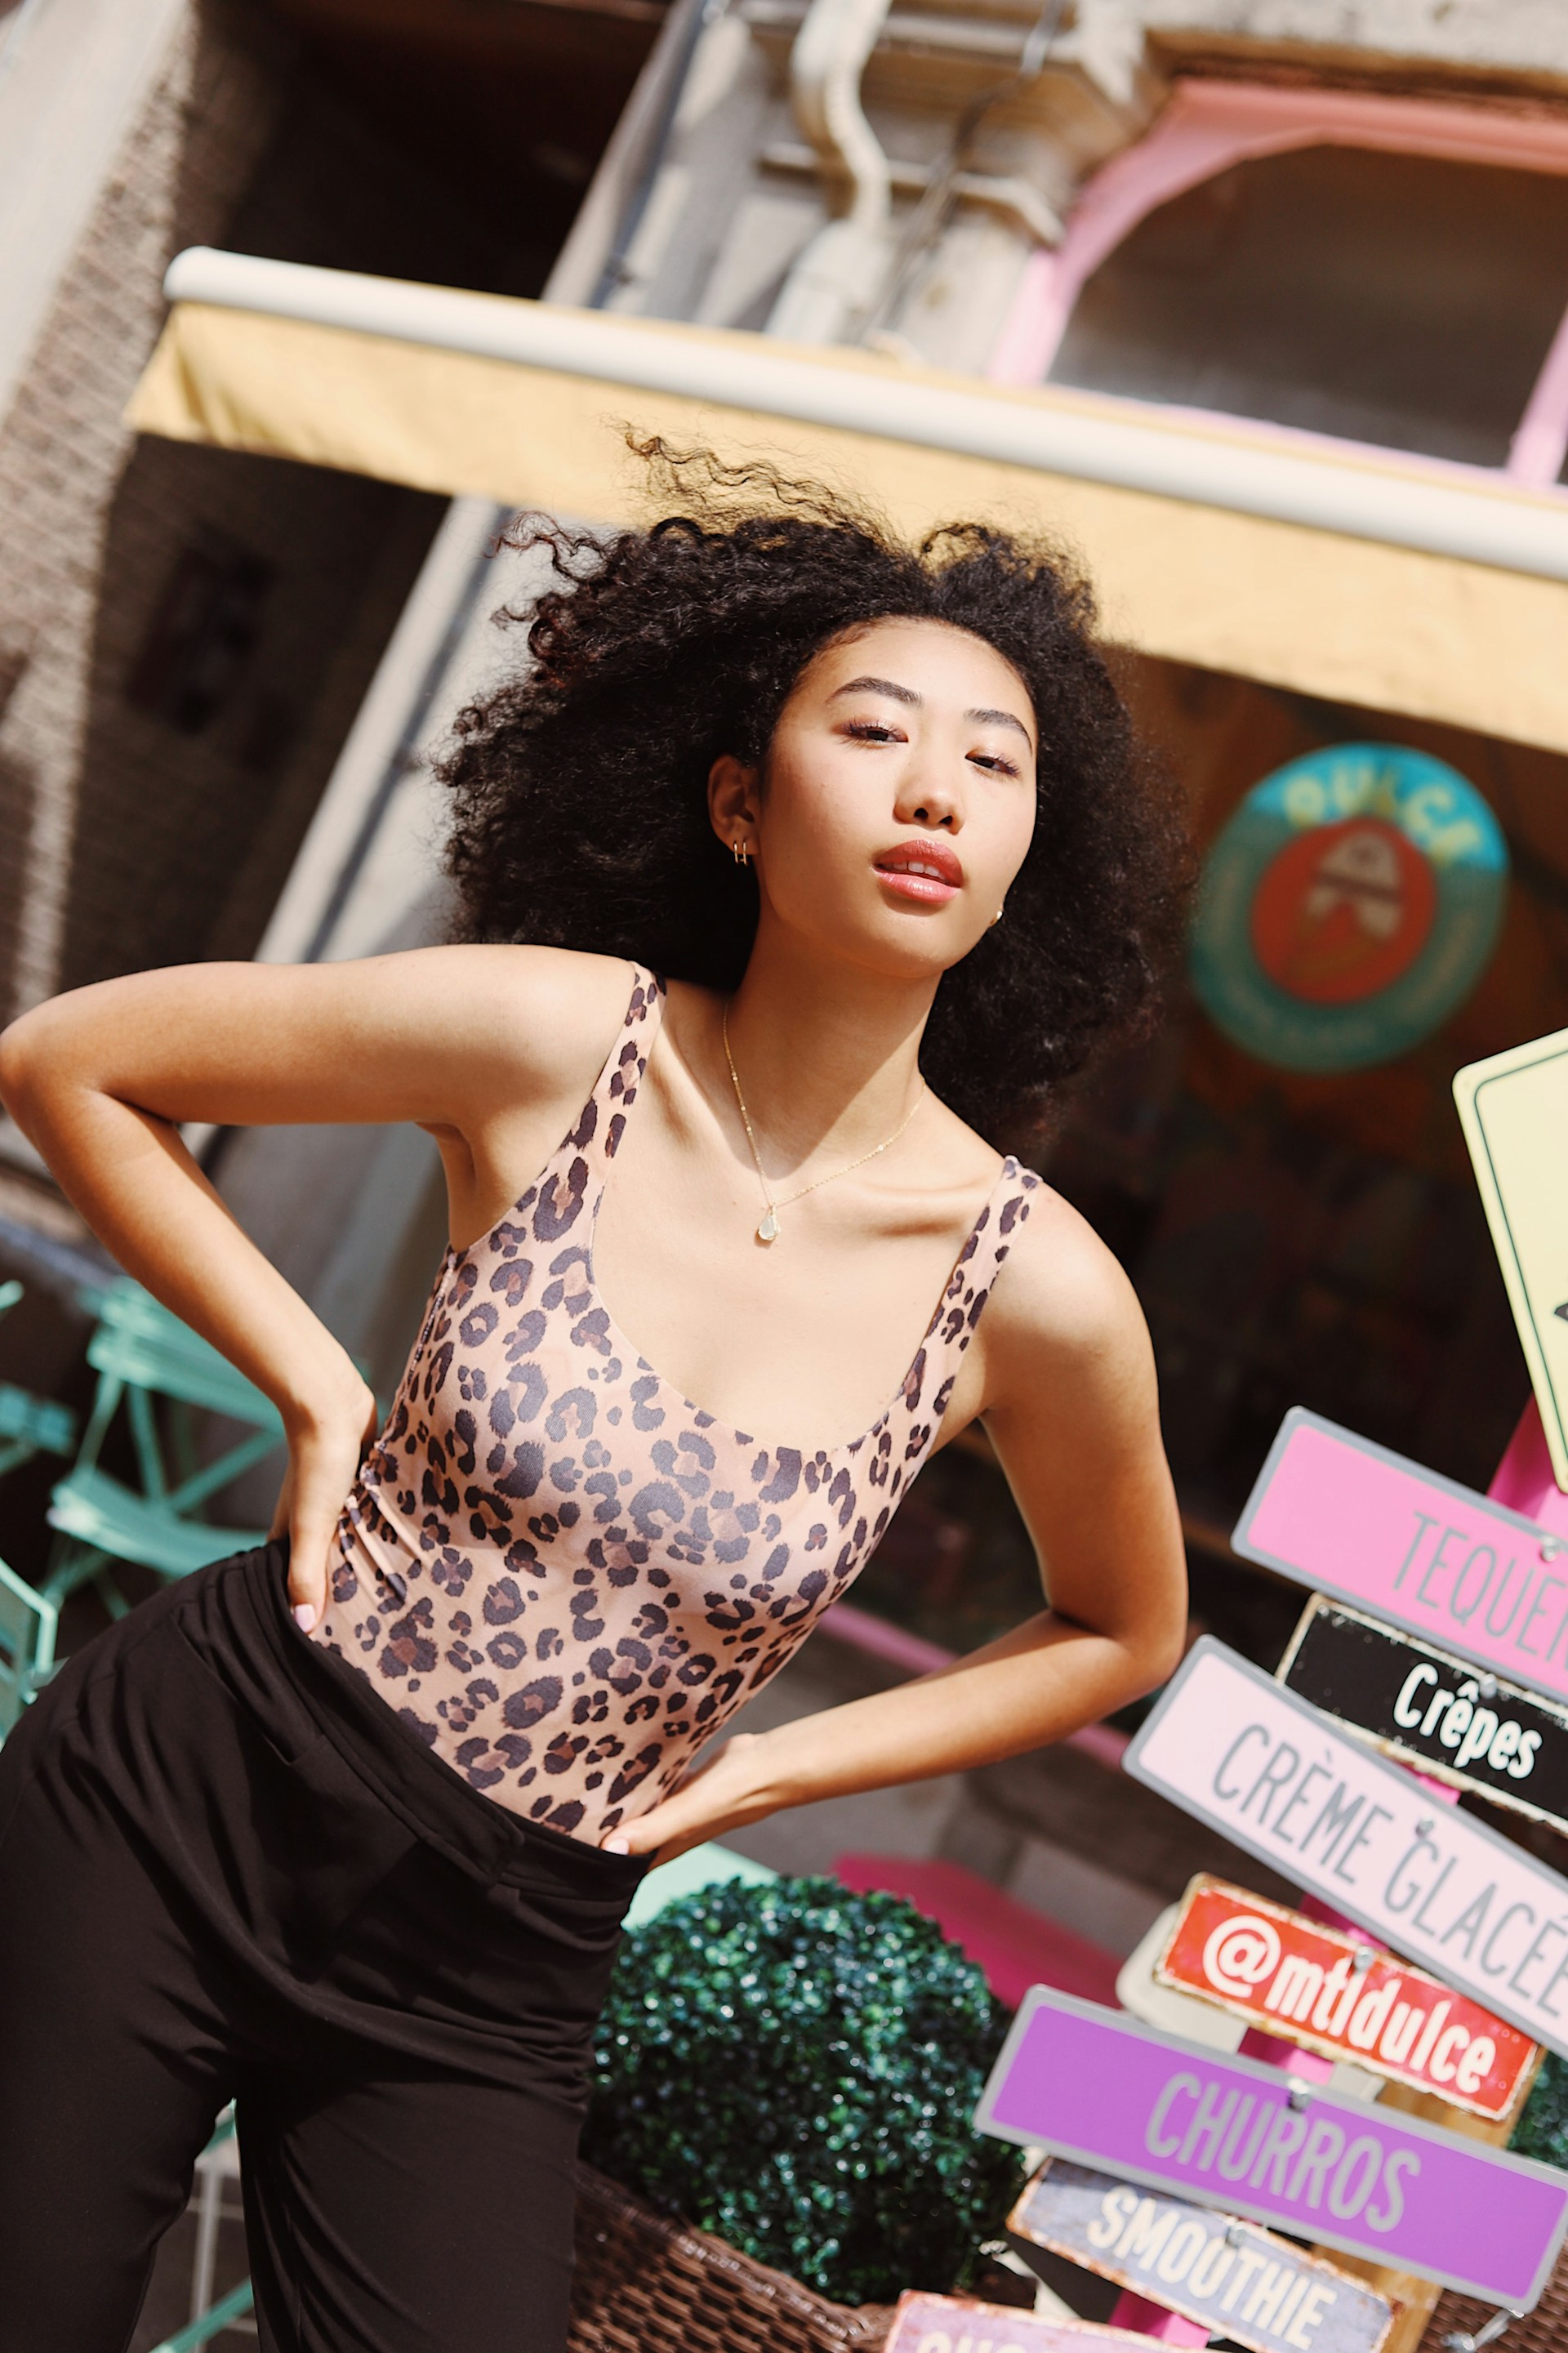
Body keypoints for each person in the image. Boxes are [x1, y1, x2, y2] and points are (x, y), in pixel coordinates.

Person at [0, 450, 1190, 2353]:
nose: (935, 790)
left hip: (497, 1944)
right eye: (874, 728)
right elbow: (69, 1064)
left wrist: (772, 1769)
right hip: (196, 1780)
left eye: (997, 760)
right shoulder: (563, 1036)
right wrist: (318, 1382)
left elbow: (1128, 1623)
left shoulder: (1035, 1288)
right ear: (735, 801)